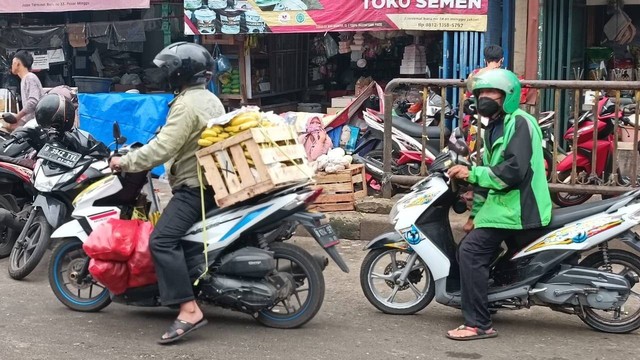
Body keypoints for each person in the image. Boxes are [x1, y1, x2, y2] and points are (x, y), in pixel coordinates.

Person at [109, 42, 225, 345]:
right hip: (213, 183)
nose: (164, 76)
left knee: (161, 240)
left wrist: (125, 161)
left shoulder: (186, 105)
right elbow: (176, 138)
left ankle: (188, 310)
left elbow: (164, 148)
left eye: (168, 70)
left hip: (194, 188)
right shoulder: (209, 99)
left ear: (179, 72)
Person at [446, 69, 552, 341]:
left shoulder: (519, 122)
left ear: (509, 96)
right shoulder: (495, 127)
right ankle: (487, 299)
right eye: (481, 93)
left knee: (470, 253)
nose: (485, 98)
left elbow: (512, 171)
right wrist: (475, 215)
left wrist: (470, 174)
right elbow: (489, 176)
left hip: (519, 209)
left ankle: (479, 324)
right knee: (468, 248)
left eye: (492, 93)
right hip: (505, 207)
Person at [7, 50, 44, 130]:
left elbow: (33, 101)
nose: (12, 66)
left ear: (17, 63)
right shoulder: (25, 79)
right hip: (31, 122)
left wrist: (18, 116)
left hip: (36, 124)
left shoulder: (29, 77)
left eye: (13, 63)